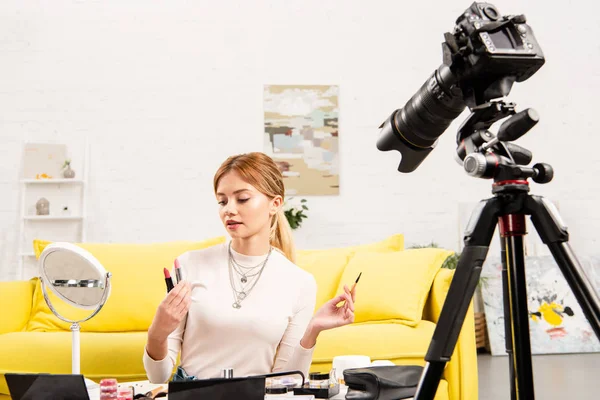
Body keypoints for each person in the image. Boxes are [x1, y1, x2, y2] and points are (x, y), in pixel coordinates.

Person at [143, 152, 356, 383]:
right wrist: (158, 331)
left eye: (242, 199)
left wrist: (313, 330)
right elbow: (158, 376)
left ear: (275, 204)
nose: (229, 210)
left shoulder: (299, 282)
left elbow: (287, 381)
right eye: (222, 201)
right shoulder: (189, 265)